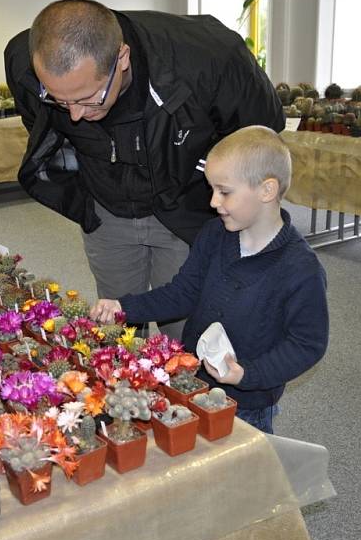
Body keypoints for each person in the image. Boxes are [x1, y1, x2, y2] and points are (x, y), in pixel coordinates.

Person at [5, 0, 285, 340]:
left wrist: (206, 176)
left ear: (122, 59)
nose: (75, 114)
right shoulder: (24, 61)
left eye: (88, 98)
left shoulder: (209, 57)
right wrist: (87, 197)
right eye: (61, 101)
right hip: (107, 208)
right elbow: (37, 121)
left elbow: (260, 132)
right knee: (117, 325)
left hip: (185, 203)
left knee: (186, 326)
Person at [89, 126, 329, 434]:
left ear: (267, 190)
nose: (213, 202)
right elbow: (182, 293)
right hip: (191, 382)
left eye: (224, 191)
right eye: (212, 190)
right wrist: (124, 306)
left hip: (247, 405)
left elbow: (307, 344)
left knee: (241, 476)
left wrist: (247, 374)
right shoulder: (215, 234)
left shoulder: (300, 268)